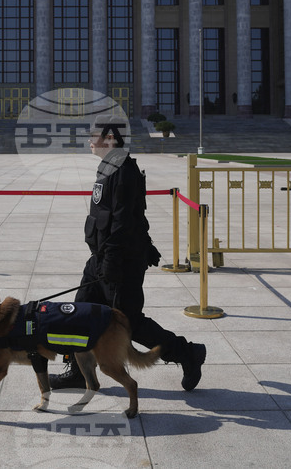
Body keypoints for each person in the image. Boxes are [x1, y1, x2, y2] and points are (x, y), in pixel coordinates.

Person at [49, 116, 206, 392]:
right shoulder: (109, 167)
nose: (89, 139)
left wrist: (119, 258)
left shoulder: (124, 171)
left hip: (120, 264)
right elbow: (127, 215)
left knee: (130, 323)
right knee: (79, 313)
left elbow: (123, 222)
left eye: (94, 135)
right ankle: (79, 371)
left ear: (110, 139)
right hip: (101, 260)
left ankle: (187, 353)